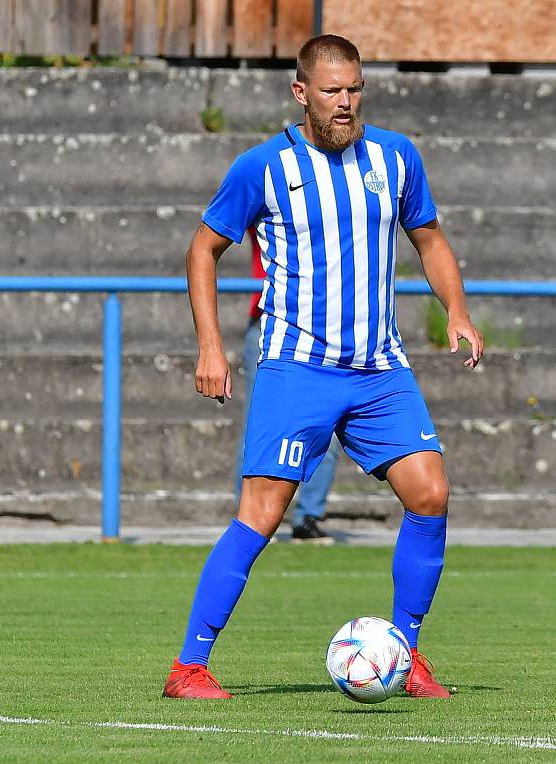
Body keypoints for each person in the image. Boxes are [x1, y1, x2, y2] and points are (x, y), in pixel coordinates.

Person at [164, 34, 483, 700]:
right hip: (297, 368)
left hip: (378, 370)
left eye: (355, 88)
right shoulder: (262, 167)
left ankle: (406, 651)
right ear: (301, 92)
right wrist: (211, 347)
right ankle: (188, 667)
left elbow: (428, 237)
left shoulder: (394, 157)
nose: (346, 102)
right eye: (333, 90)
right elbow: (202, 250)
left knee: (430, 494)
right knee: (261, 513)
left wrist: (455, 310)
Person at [235, 227, 340, 543]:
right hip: (272, 323)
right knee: (259, 427)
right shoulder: (275, 186)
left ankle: (307, 516)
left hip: (326, 328)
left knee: (328, 427)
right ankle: (248, 518)